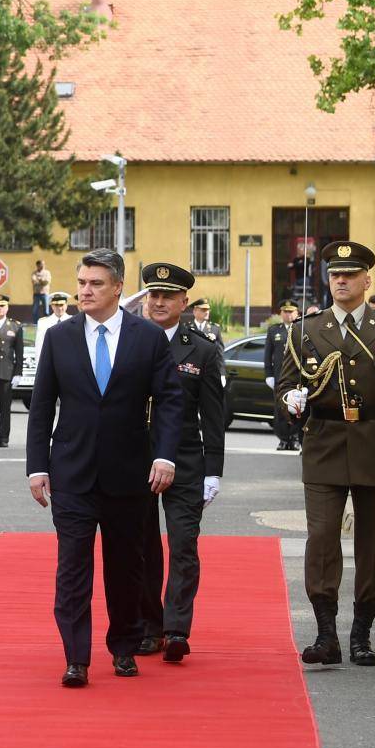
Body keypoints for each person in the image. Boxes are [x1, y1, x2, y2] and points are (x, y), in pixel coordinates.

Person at [25, 248, 183, 687]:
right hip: (71, 475)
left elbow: (171, 399)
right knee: (72, 569)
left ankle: (124, 646)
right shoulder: (59, 337)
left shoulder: (146, 338)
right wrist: (36, 467)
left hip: (129, 474)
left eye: (95, 283)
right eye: (81, 283)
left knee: (125, 568)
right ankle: (76, 657)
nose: (85, 291)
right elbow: (41, 410)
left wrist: (164, 455)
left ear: (117, 287)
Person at [278, 241, 375, 667]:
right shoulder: (305, 330)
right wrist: (291, 399)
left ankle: (361, 632)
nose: (341, 280)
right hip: (324, 443)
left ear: (367, 280)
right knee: (323, 539)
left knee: (372, 543)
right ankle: (326, 632)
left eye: (350, 274)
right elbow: (286, 386)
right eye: (334, 274)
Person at [132, 263, 225, 662]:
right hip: (135, 457)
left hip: (186, 459)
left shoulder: (201, 349)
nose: (158, 302)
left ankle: (176, 629)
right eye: (153, 295)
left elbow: (215, 416)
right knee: (141, 547)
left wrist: (214, 471)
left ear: (184, 303)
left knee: (184, 543)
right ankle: (148, 627)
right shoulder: (129, 341)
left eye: (167, 296)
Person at [0, 293, 25, 447]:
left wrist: (18, 373)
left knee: (5, 409)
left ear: (7, 308)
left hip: (6, 373)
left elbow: (19, 352)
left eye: (2, 306)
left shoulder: (15, 326)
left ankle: (3, 438)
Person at [264, 299, 302, 450]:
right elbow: (268, 355)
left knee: (297, 408)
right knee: (280, 409)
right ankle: (283, 438)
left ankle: (295, 437)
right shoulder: (274, 330)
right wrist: (269, 374)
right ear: (281, 313)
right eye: (285, 312)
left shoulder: (302, 328)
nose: (288, 315)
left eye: (291, 312)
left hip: (297, 377)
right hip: (279, 376)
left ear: (297, 313)